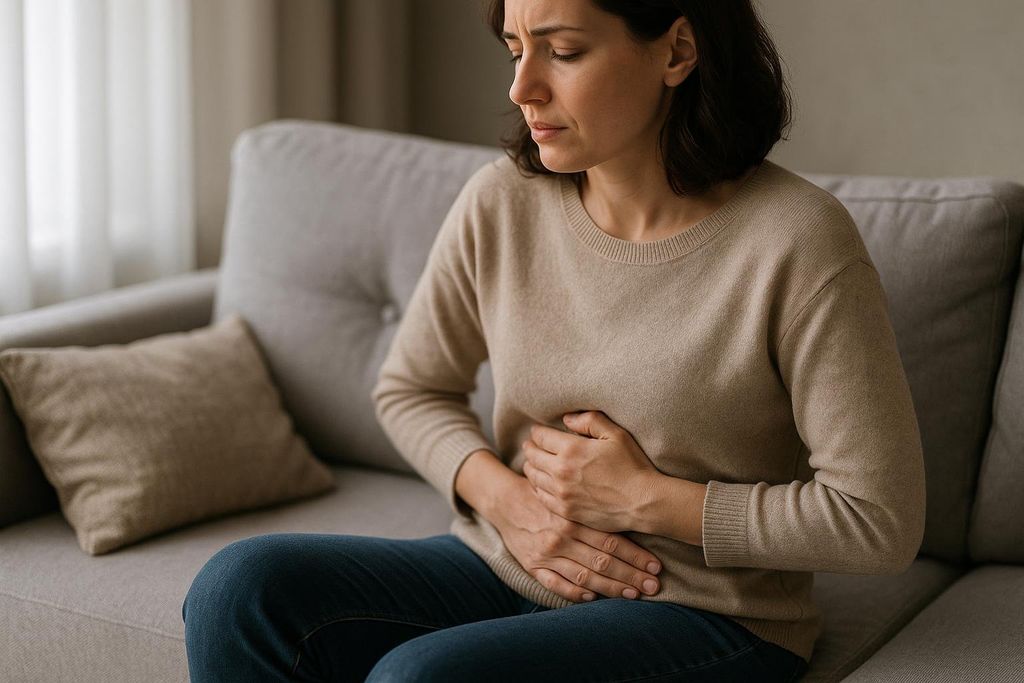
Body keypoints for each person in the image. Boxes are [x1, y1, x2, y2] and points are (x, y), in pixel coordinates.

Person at [182, 0, 927, 680]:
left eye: (562, 51)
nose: (522, 88)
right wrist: (508, 502)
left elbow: (878, 519)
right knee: (239, 588)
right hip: (508, 559)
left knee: (422, 677)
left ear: (677, 51)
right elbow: (410, 387)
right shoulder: (503, 199)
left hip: (707, 613)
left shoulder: (798, 240)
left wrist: (648, 500)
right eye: (515, 49)